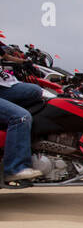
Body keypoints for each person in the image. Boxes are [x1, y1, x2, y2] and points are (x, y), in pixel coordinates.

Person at [0, 38, 43, 182]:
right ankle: (15, 168)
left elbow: (5, 55)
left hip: (3, 86)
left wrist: (24, 63)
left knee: (36, 92)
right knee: (20, 117)